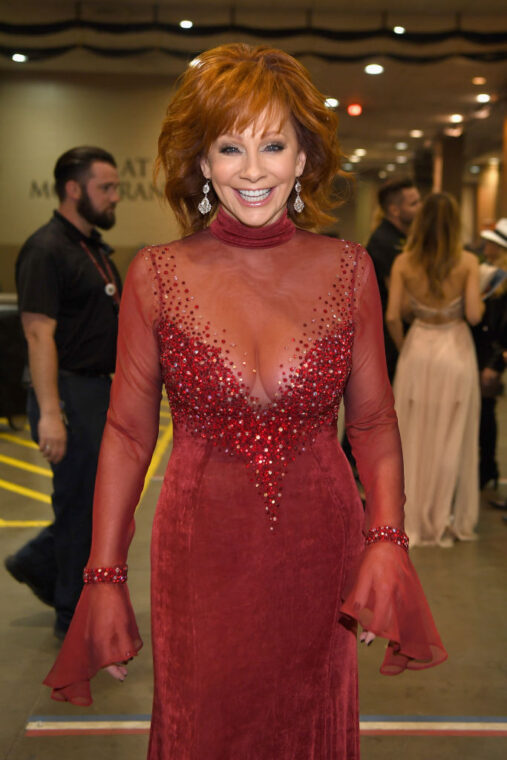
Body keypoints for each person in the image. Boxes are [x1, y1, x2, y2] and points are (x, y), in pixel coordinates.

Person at [44, 45, 446, 759]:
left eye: (273, 144)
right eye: (230, 146)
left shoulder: (348, 269)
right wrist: (103, 576)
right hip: (200, 557)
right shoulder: (157, 275)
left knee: (309, 725)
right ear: (201, 162)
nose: (253, 169)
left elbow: (376, 422)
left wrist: (386, 539)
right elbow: (128, 436)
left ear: (302, 160)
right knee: (204, 724)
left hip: (322, 554)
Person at [5, 147, 122, 639]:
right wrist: (50, 413)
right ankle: (72, 617)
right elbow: (37, 335)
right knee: (79, 509)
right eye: (106, 188)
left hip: (96, 393)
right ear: (73, 190)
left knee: (91, 503)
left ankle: (35, 562)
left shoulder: (91, 248)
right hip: (68, 393)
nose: (116, 197)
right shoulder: (45, 249)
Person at [386, 192, 484, 547]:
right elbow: (473, 314)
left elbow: (393, 315)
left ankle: (409, 513)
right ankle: (443, 516)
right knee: (452, 435)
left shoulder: (403, 263)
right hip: (455, 350)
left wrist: (403, 346)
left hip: (418, 349)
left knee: (412, 435)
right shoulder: (469, 262)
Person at [366, 177, 421, 379]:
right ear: (395, 210)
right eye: (414, 203)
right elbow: (400, 302)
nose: (421, 208)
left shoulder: (406, 236)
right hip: (391, 337)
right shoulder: (384, 241)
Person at [473, 219, 507, 497]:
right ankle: (487, 468)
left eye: (492, 244)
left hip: (491, 356)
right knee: (483, 411)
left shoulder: (502, 280)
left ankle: (488, 468)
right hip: (482, 352)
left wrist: (495, 363)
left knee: (486, 412)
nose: (486, 247)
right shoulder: (492, 274)